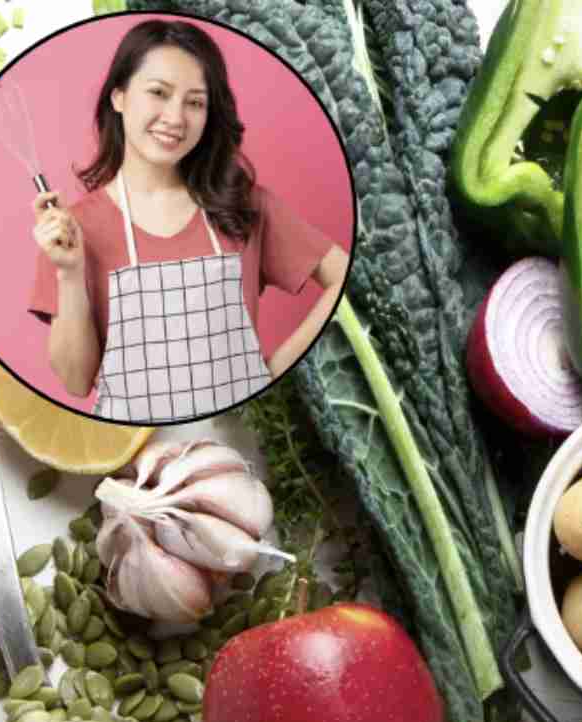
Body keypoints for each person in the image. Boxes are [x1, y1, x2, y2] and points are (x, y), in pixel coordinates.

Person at [29, 19, 349, 423]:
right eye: (158, 93)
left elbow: (342, 275)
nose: (175, 117)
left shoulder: (244, 206)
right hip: (143, 454)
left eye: (195, 102)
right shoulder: (71, 232)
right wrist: (70, 273)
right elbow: (76, 382)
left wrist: (275, 371)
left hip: (249, 441)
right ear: (119, 97)